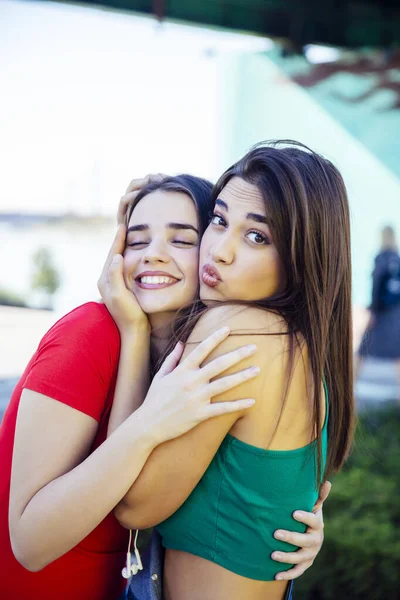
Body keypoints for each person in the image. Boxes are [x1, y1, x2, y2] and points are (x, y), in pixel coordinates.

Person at [0, 175, 326, 600]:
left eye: (181, 240)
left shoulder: (197, 359)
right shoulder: (90, 335)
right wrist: (146, 411)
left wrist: (285, 520)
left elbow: (223, 485)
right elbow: (29, 543)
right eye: (136, 241)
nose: (152, 255)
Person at [102, 142, 354, 600]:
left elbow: (131, 503)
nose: (219, 250)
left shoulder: (236, 332)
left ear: (303, 257)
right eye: (218, 221)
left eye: (257, 237)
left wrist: (133, 331)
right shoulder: (298, 347)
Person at [356, 225, 400, 396]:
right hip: (396, 314)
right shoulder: (397, 259)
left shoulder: (381, 258)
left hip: (381, 314)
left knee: (361, 351)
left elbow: (375, 287)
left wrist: (372, 311)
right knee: (397, 355)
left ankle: (347, 390)